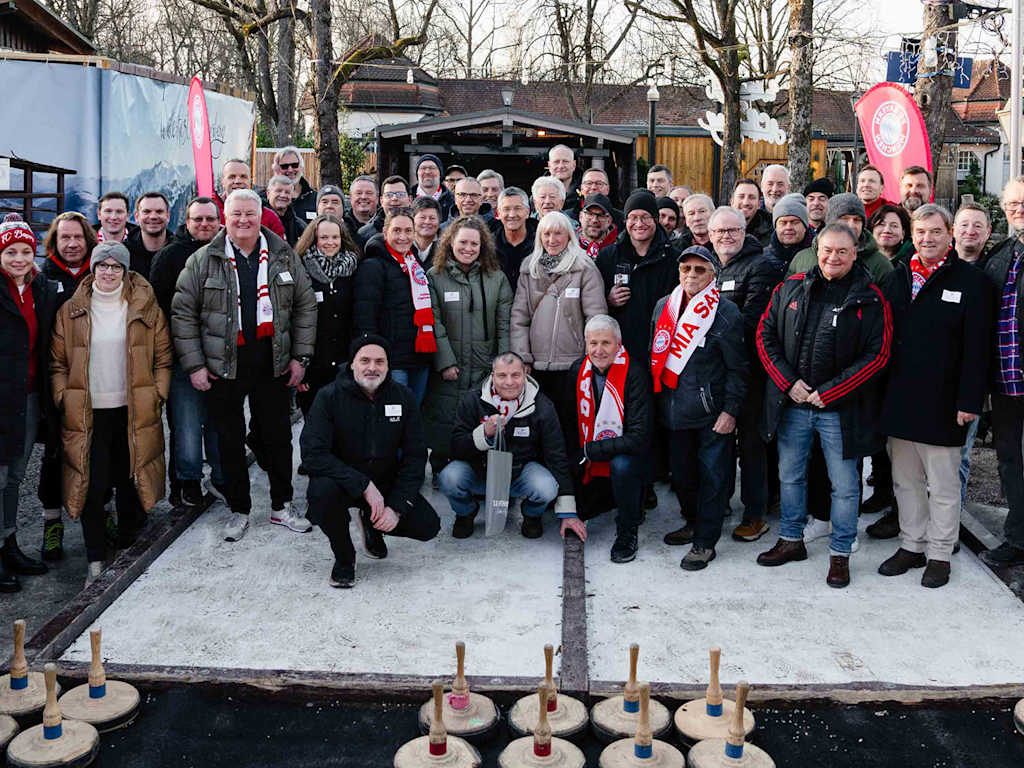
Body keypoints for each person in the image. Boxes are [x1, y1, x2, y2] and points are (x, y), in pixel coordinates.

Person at [172, 189, 316, 542]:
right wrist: (195, 366)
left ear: (260, 215)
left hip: (273, 362)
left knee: (279, 438)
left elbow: (305, 307)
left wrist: (300, 358)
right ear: (226, 217)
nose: (243, 220)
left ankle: (282, 505)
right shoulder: (204, 260)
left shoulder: (283, 255)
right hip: (224, 365)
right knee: (229, 440)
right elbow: (183, 314)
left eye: (250, 213)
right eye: (236, 214)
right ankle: (239, 509)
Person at [756, 224, 892, 588]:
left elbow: (877, 355)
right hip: (795, 405)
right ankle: (791, 539)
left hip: (840, 410)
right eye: (828, 250)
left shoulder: (870, 297)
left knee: (845, 486)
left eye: (842, 252)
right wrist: (788, 383)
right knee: (790, 476)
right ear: (817, 250)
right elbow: (764, 334)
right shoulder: (791, 286)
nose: (833, 257)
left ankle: (841, 552)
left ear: (854, 254)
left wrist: (832, 391)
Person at [878, 204, 992, 588]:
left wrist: (969, 401)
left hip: (945, 402)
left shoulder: (971, 281)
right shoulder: (896, 277)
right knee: (905, 481)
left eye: (936, 232)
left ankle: (940, 552)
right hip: (900, 399)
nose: (928, 239)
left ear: (950, 236)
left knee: (943, 485)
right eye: (921, 232)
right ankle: (912, 544)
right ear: (913, 233)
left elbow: (978, 347)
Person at [51, 242, 172, 586]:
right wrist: (63, 397)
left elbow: (163, 358)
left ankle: (129, 552)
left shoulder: (144, 308)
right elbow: (58, 362)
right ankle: (94, 561)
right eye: (101, 266)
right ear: (92, 269)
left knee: (129, 480)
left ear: (126, 271)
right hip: (88, 414)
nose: (108, 272)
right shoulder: (72, 310)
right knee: (92, 485)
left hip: (132, 411)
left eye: (115, 267)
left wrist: (158, 393)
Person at [299, 335, 441, 588]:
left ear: (388, 366)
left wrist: (396, 506)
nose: (372, 367)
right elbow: (313, 454)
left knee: (427, 526)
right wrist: (363, 485)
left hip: (385, 481)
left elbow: (415, 455)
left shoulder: (403, 397)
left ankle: (372, 523)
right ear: (352, 364)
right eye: (364, 360)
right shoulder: (328, 397)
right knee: (321, 495)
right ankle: (344, 557)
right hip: (342, 481)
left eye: (380, 361)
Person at [652, 245, 748, 569]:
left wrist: (730, 410)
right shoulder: (664, 306)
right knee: (682, 475)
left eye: (699, 270)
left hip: (711, 414)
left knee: (714, 478)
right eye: (686, 269)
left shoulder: (726, 312)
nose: (691, 276)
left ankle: (705, 543)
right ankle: (692, 523)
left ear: (713, 275)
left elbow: (738, 367)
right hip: (673, 411)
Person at [705, 206, 782, 543]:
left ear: (744, 230)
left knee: (752, 447)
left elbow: (749, 323)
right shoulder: (710, 267)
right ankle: (719, 503)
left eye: (732, 230)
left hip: (750, 373)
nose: (726, 236)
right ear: (709, 235)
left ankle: (755, 514)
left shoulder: (761, 265)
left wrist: (707, 340)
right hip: (718, 373)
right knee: (719, 444)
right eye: (720, 231)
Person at [440, 352, 577, 540]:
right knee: (449, 477)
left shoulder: (542, 406)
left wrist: (568, 510)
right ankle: (466, 512)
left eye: (516, 375)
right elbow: (455, 447)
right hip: (480, 472)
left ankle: (531, 515)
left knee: (547, 486)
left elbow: (557, 453)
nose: (509, 382)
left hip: (520, 474)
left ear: (525, 375)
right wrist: (483, 434)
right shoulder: (472, 399)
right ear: (492, 376)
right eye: (502, 375)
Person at [423, 216, 512, 478]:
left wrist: (502, 365)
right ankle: (440, 467)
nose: (468, 248)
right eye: (463, 242)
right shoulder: (434, 277)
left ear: (482, 246)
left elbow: (504, 324)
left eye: (474, 244)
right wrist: (445, 361)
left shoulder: (496, 278)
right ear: (450, 243)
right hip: (450, 363)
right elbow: (433, 321)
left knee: (478, 416)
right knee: (444, 415)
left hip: (485, 362)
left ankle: (475, 470)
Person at [149, 196, 224, 508]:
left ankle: (222, 478)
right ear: (187, 221)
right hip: (184, 357)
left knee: (220, 423)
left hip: (222, 356)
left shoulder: (229, 251)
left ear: (219, 221)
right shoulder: (170, 257)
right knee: (187, 425)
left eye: (209, 219)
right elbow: (162, 311)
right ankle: (188, 481)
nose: (204, 224)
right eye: (198, 219)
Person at [564, 315, 652, 562]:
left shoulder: (634, 373)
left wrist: (591, 451)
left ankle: (628, 530)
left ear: (618, 344)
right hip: (591, 450)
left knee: (622, 465)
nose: (599, 350)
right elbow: (570, 424)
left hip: (628, 453)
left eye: (606, 343)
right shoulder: (577, 371)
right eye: (593, 343)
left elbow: (639, 437)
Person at [0, 221, 58, 591]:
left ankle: (8, 544)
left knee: (15, 477)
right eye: (10, 252)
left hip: (28, 396)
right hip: (2, 397)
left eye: (25, 251)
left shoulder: (40, 288)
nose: (19, 258)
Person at [39, 212, 98, 559]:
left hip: (99, 381)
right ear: (55, 242)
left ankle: (101, 514)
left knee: (98, 450)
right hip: (57, 382)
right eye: (65, 238)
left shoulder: (101, 272)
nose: (72, 243)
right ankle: (52, 522)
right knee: (55, 453)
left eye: (78, 237)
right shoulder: (42, 278)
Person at [511, 211, 607, 415]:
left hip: (573, 365)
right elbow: (519, 318)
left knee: (569, 424)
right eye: (546, 234)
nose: (551, 240)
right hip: (535, 367)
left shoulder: (585, 268)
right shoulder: (529, 269)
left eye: (558, 234)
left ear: (568, 236)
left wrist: (589, 358)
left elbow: (596, 317)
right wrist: (523, 357)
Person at [981, 176, 1024, 567]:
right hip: (1006, 385)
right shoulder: (1002, 255)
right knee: (1009, 461)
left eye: (1022, 203)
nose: (1017, 210)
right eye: (1012, 204)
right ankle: (1017, 538)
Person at [353, 208, 436, 405]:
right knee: (393, 418)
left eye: (408, 231)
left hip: (419, 355)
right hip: (391, 360)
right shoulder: (373, 266)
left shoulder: (414, 265)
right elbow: (365, 315)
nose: (403, 237)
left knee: (412, 416)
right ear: (385, 232)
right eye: (397, 230)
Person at [595, 190, 678, 363]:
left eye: (645, 217)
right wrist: (607, 300)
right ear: (626, 220)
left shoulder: (673, 259)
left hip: (660, 347)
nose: (639, 223)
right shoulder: (608, 256)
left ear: (655, 219)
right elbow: (592, 302)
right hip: (619, 349)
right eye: (633, 217)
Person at [294, 214, 360, 415]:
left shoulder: (354, 269)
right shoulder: (300, 270)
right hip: (313, 366)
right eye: (324, 238)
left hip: (345, 365)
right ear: (314, 239)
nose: (330, 243)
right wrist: (300, 367)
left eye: (335, 237)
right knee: (315, 430)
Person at [788, 193, 892, 284]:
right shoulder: (802, 259)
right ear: (829, 222)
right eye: (844, 219)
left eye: (857, 220)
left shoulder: (880, 265)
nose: (851, 225)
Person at [214, 159, 285, 239]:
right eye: (232, 177)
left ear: (250, 181)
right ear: (222, 181)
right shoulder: (211, 214)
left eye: (243, 177)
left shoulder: (269, 217)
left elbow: (280, 249)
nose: (238, 181)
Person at [491, 186, 538, 291]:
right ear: (498, 213)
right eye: (506, 209)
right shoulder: (489, 245)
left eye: (517, 208)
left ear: (528, 212)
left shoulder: (542, 242)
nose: (512, 215)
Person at [125, 192, 171, 279]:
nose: (153, 216)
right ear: (136, 217)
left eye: (159, 211)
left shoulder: (180, 252)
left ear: (168, 216)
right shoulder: (124, 253)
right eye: (146, 212)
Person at [356, 176, 411, 249]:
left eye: (400, 194)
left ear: (410, 199)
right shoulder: (364, 234)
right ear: (381, 201)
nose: (394, 198)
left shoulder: (420, 229)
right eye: (389, 195)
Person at [763, 194, 813, 268]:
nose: (788, 227)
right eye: (783, 223)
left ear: (805, 226)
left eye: (794, 222)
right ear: (776, 227)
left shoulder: (819, 254)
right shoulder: (763, 258)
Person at [271, 146, 318, 225]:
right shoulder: (264, 199)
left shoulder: (316, 199)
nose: (290, 170)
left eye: (294, 165)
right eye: (284, 166)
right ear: (276, 169)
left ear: (301, 167)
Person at [263, 175, 306, 246]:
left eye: (287, 192)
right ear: (268, 193)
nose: (283, 195)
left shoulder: (299, 226)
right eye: (278, 191)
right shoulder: (259, 220)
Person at [411, 154, 456, 220]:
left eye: (432, 168)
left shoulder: (452, 200)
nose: (427, 172)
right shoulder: (407, 198)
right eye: (423, 168)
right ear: (417, 173)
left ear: (440, 173)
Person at [731, 179, 772, 247]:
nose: (746, 202)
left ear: (759, 204)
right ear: (732, 202)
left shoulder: (770, 233)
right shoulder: (718, 229)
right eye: (741, 197)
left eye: (751, 197)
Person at [577, 194, 618, 258]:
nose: (594, 220)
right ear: (581, 217)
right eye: (590, 214)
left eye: (601, 215)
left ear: (609, 221)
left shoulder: (619, 247)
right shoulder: (567, 243)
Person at [412, 197, 442, 270]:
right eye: (422, 217)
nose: (427, 222)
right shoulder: (403, 245)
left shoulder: (446, 247)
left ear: (439, 221)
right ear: (412, 220)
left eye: (432, 218)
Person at [547, 145, 580, 211]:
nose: (561, 166)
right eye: (556, 162)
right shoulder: (538, 194)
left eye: (565, 161)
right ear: (549, 165)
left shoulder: (585, 192)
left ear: (574, 165)